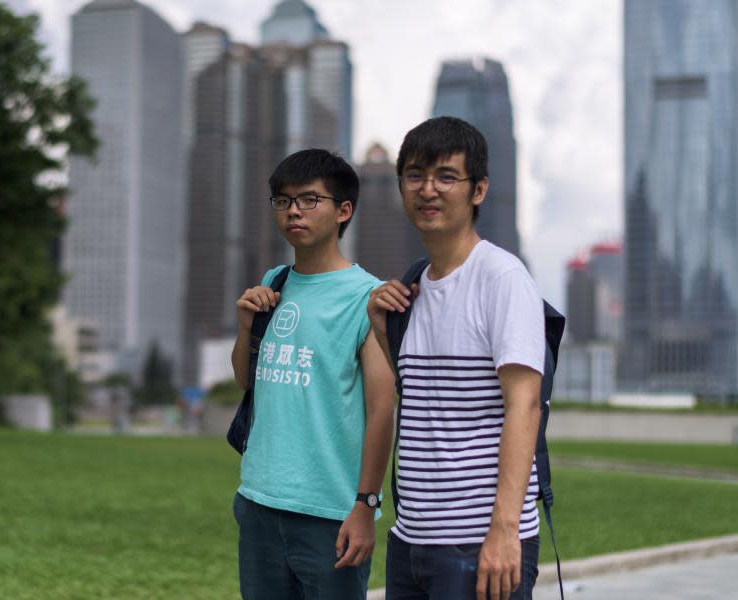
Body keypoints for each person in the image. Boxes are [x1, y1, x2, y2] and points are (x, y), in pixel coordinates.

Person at [367, 116, 545, 600]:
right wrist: (385, 334)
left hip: (477, 544)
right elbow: (429, 403)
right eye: (415, 175)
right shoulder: (414, 285)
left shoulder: (503, 279)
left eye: (447, 176)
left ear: (479, 189)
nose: (428, 189)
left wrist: (504, 533)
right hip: (411, 542)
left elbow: (524, 406)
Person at [231, 149, 398, 600]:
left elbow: (382, 408)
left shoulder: (367, 297)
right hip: (260, 501)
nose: (293, 212)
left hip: (330, 513)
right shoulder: (275, 282)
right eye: (283, 201)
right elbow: (247, 381)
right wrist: (246, 324)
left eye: (308, 200)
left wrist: (366, 505)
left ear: (344, 210)